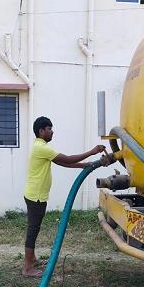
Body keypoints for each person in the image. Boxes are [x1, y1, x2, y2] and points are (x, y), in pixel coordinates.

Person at [22, 116, 108, 278]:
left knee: (35, 228)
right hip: (36, 197)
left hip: (35, 194)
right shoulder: (42, 148)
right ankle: (27, 267)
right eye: (49, 129)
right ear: (41, 131)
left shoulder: (40, 147)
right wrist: (92, 152)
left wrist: (84, 165)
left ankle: (31, 259)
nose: (52, 131)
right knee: (33, 230)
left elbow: (61, 162)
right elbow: (67, 159)